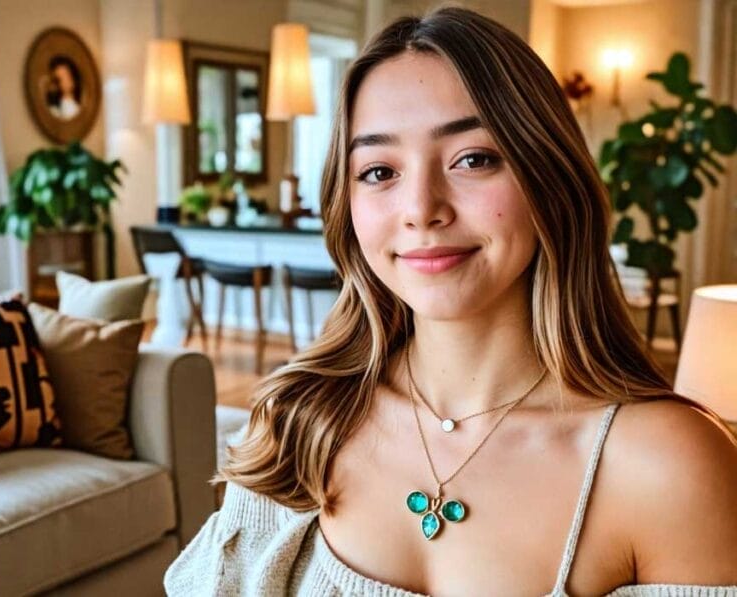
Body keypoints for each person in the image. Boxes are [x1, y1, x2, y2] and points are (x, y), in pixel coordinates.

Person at [164, 7, 737, 596]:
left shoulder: (668, 467)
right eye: (380, 170)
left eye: (473, 159)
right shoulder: (296, 422)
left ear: (549, 176)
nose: (421, 207)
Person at [40, 55, 81, 120]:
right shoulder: (54, 110)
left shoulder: (79, 108)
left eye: (66, 75)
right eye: (58, 78)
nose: (65, 79)